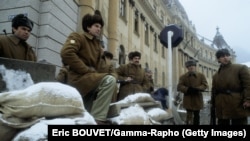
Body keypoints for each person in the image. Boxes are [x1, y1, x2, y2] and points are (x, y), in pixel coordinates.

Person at [60, 10, 117, 125]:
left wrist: (105, 61)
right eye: (96, 26)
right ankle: (98, 119)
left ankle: (95, 117)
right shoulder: (77, 37)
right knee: (109, 80)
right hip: (79, 79)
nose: (99, 29)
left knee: (111, 80)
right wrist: (86, 70)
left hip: (90, 81)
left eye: (100, 27)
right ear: (88, 27)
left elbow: (100, 68)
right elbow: (66, 53)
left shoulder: (96, 44)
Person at [211, 48, 250, 125]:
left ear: (230, 57)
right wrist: (213, 103)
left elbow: (248, 85)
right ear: (218, 59)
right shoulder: (216, 75)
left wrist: (248, 99)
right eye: (222, 56)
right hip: (221, 106)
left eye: (227, 55)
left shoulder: (240, 68)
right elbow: (214, 90)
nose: (225, 58)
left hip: (237, 104)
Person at [177, 59, 208, 125]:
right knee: (189, 115)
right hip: (188, 98)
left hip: (197, 98)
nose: (191, 67)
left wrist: (197, 89)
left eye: (192, 65)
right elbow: (180, 86)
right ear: (187, 68)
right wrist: (187, 89)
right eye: (189, 66)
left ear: (195, 66)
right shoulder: (183, 77)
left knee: (197, 115)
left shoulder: (201, 76)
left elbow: (205, 85)